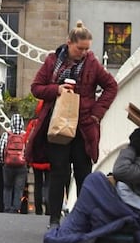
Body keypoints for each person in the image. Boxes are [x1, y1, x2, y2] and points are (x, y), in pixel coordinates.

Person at [27, 20, 118, 229]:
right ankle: (54, 219)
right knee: (59, 172)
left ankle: (83, 219)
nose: (84, 53)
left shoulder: (93, 64)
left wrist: (96, 114)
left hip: (84, 127)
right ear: (69, 43)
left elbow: (111, 86)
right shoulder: (52, 61)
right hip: (58, 124)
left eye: (87, 49)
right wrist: (56, 89)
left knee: (83, 173)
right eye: (80, 48)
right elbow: (36, 87)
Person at [43, 127, 140, 243]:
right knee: (94, 184)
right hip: (131, 205)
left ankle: (70, 231)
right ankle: (71, 229)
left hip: (137, 211)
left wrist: (130, 148)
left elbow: (120, 170)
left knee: (94, 182)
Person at [0, 113, 28, 213]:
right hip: (21, 165)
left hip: (8, 165)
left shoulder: (6, 134)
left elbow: (1, 149)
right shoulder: (25, 135)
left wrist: (2, 162)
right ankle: (15, 208)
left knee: (7, 187)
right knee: (19, 188)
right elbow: (28, 150)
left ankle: (7, 208)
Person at [26, 104, 51, 216]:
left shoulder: (33, 124)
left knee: (38, 184)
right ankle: (49, 207)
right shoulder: (51, 122)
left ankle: (38, 209)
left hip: (36, 159)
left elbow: (27, 140)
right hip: (50, 160)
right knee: (49, 184)